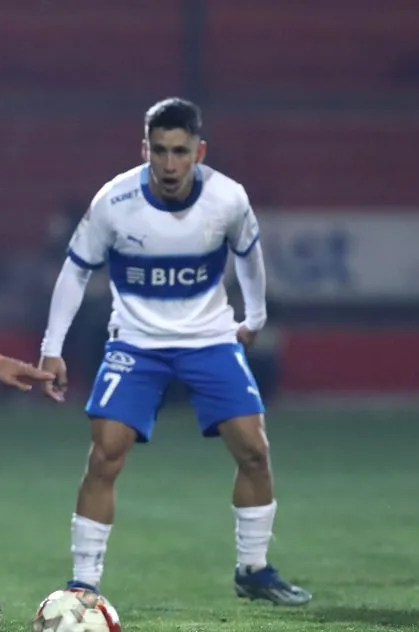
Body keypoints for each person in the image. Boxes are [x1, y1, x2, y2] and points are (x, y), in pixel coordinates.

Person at [38, 98, 311, 606]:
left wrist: (253, 318)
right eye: (159, 151)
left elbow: (250, 258)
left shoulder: (228, 199)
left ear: (198, 151)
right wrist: (51, 348)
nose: (169, 164)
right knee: (105, 454)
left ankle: (253, 570)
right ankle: (83, 584)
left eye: (180, 151)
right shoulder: (114, 202)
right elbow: (75, 271)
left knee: (254, 449)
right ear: (145, 149)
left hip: (208, 339)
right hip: (136, 344)